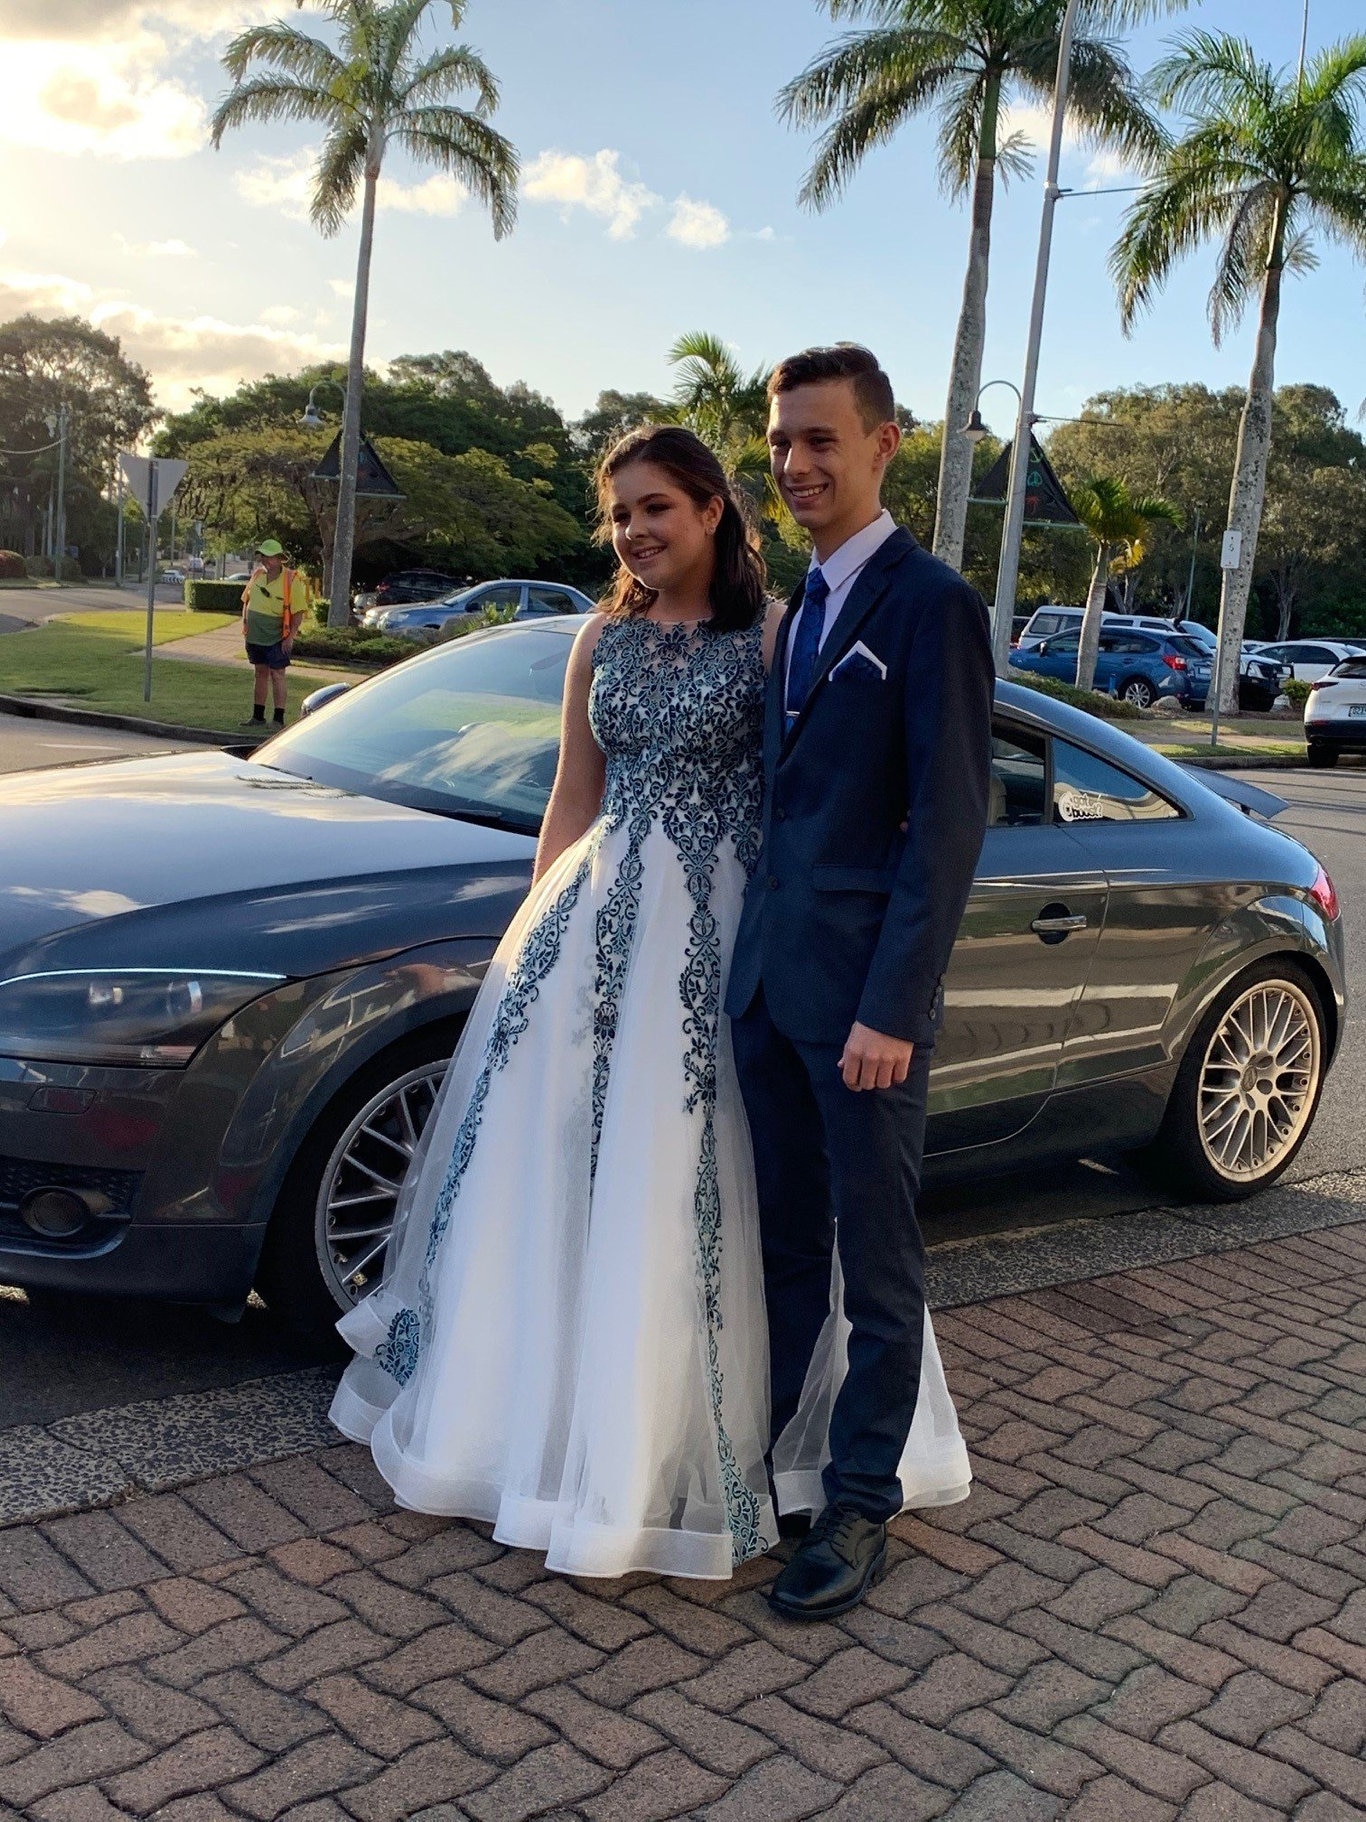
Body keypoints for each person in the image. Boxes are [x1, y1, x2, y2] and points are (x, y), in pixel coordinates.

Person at [330, 427, 785, 1577]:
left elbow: (793, 805)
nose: (637, 530)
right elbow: (570, 801)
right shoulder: (603, 636)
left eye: (658, 509)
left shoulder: (771, 638)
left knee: (667, 1171)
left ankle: (640, 1455)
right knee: (548, 1168)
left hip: (714, 930)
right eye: (622, 513)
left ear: (713, 512)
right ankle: (516, 1420)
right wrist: (529, 944)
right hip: (586, 931)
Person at [726, 345, 994, 1620]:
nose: (794, 465)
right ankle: (775, 1462)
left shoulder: (928, 603)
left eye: (820, 440)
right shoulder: (793, 615)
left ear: (885, 445)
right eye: (781, 443)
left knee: (878, 1265)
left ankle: (858, 1499)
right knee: (784, 1245)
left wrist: (894, 1005)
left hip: (865, 1013)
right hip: (771, 994)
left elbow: (944, 826)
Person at [241, 538, 309, 728]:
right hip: (255, 636)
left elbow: (298, 612)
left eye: (269, 557)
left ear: (280, 559)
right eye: (263, 556)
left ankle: (278, 719)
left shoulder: (291, 580)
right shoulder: (257, 576)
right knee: (260, 672)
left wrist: (291, 636)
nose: (265, 560)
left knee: (277, 674)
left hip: (277, 637)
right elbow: (246, 601)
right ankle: (257, 717)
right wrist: (245, 625)